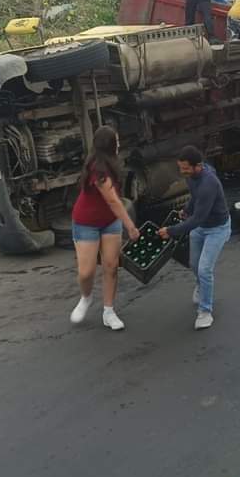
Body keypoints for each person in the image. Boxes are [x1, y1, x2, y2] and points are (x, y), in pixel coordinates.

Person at [69, 125, 140, 331]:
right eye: (116, 141)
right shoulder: (97, 168)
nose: (118, 144)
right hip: (86, 223)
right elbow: (113, 201)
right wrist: (131, 227)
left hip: (109, 222)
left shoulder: (112, 163)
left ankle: (109, 311)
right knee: (86, 272)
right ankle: (86, 297)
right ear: (109, 144)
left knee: (111, 266)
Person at [158, 146, 230, 331]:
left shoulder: (209, 183)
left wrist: (171, 231)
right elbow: (194, 198)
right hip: (200, 227)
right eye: (181, 168)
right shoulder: (192, 178)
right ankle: (202, 286)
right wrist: (186, 209)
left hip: (217, 229)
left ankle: (205, 311)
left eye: (186, 168)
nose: (182, 172)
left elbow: (198, 219)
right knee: (194, 264)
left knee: (205, 269)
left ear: (198, 166)